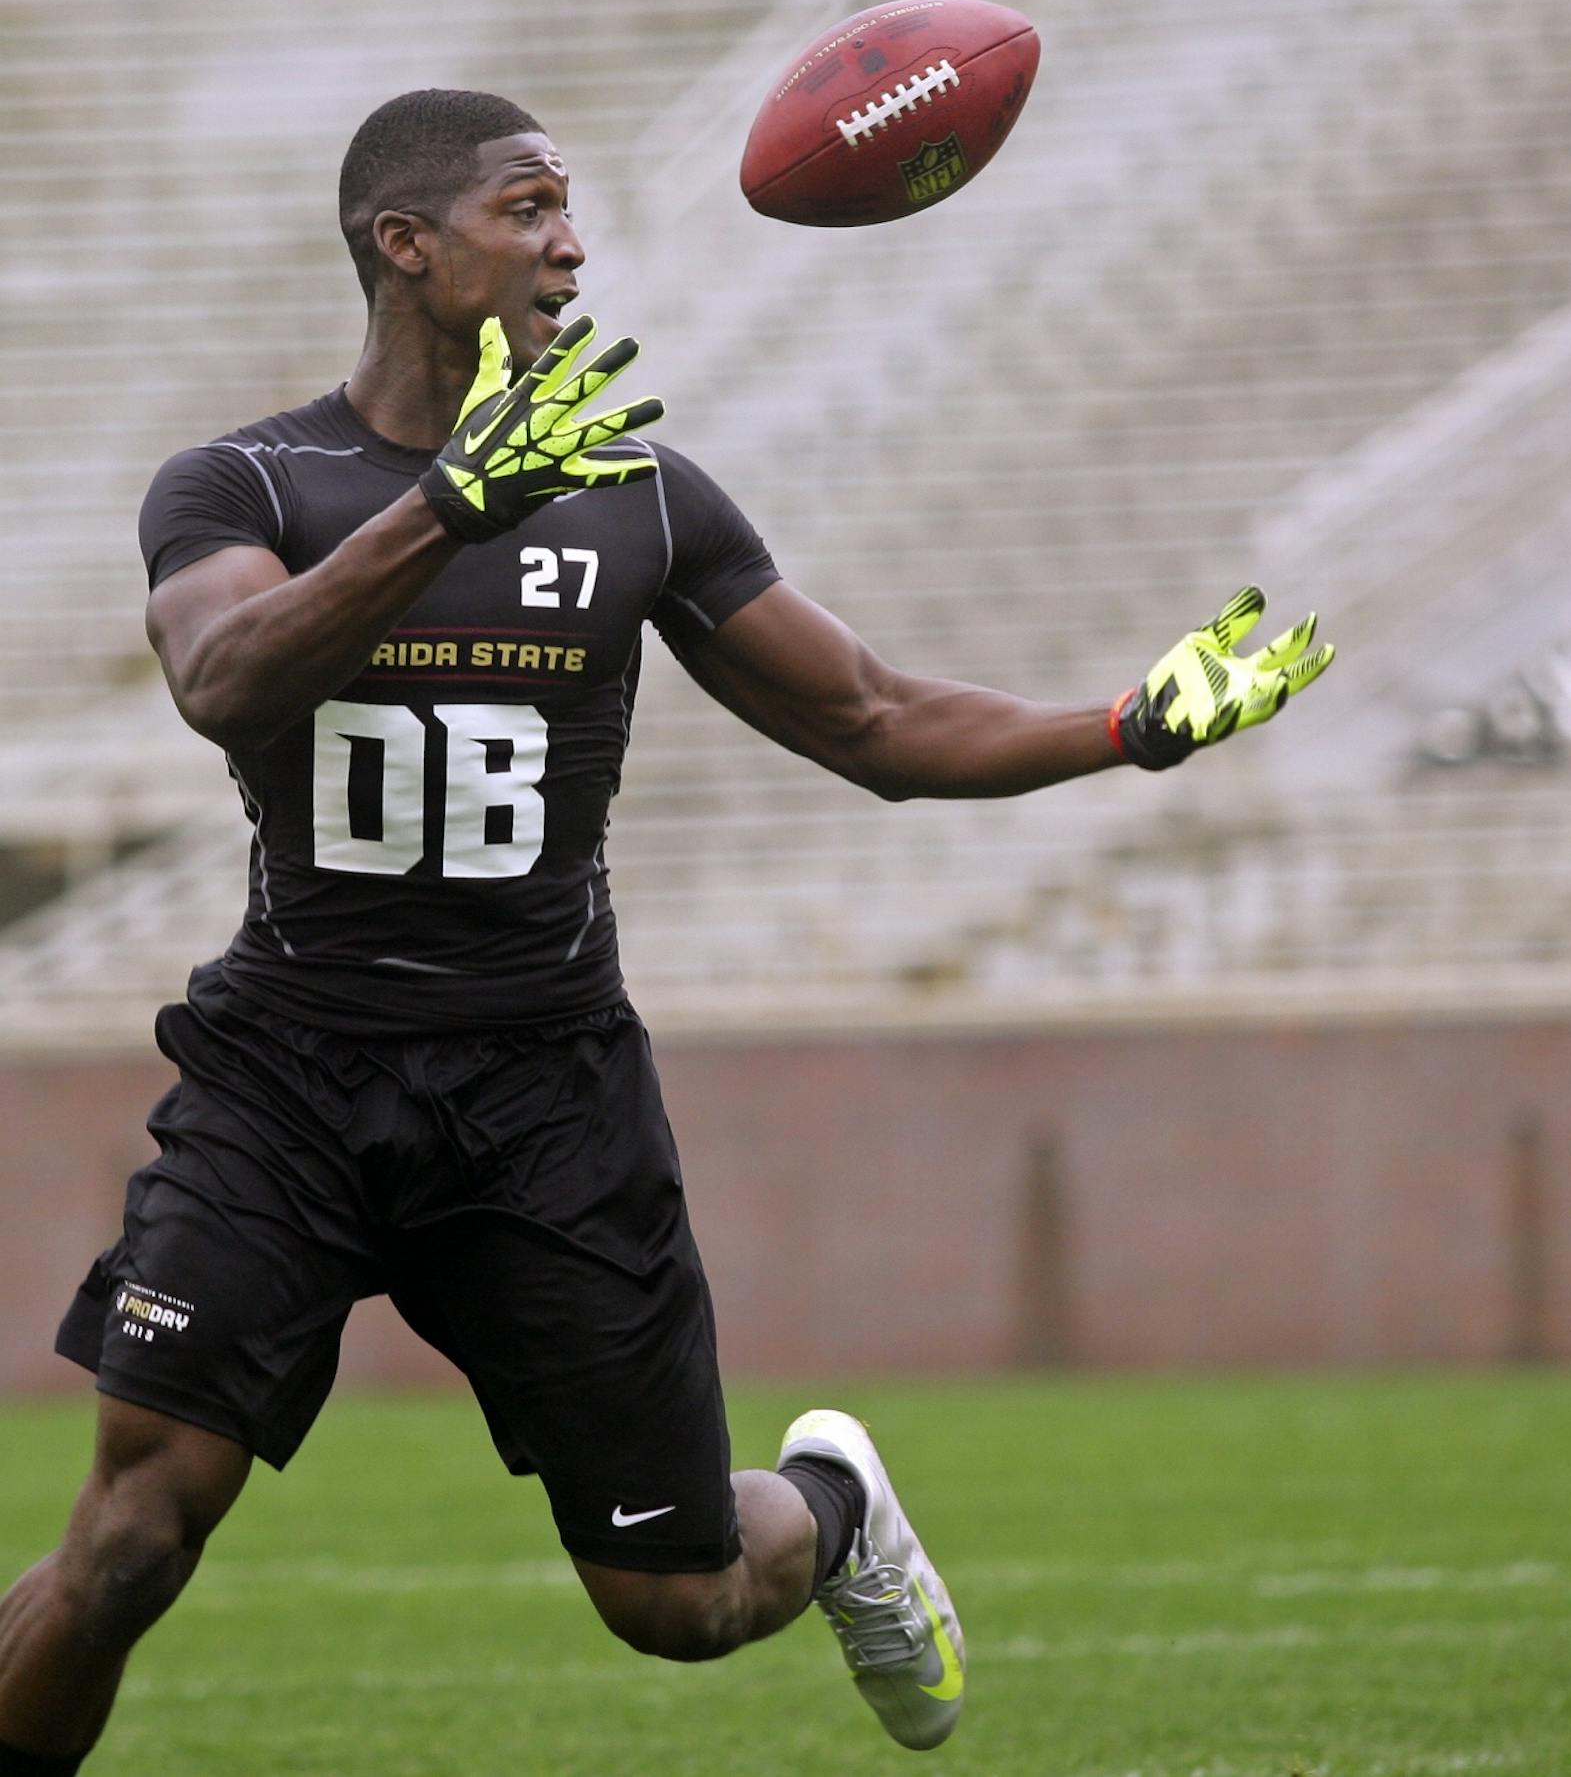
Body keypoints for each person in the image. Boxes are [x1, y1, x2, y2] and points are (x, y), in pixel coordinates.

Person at [0, 88, 1332, 1772]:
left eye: (570, 210)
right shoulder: (244, 479)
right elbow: (222, 679)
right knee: (126, 1541)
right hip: (290, 1078)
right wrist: (452, 512)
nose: (570, 244)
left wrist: (1126, 726)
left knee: (677, 1596)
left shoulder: (638, 494)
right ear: (406, 246)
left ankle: (836, 1506)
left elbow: (873, 719)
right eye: (528, 207)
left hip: (543, 1093)